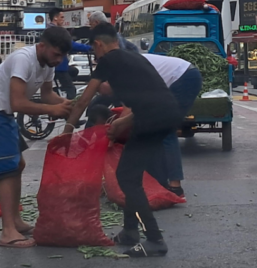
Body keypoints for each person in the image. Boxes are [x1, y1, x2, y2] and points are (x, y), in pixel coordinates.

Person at [66, 23, 182, 258]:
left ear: (98, 45)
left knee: (127, 177)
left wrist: (67, 130)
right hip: (163, 115)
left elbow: (83, 100)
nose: (95, 57)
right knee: (130, 174)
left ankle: (155, 239)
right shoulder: (134, 58)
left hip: (153, 119)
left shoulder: (109, 60)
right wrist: (120, 123)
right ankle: (130, 231)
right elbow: (149, 98)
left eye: (93, 51)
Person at [0, 27, 73, 249]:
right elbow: (18, 103)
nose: (60, 59)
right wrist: (52, 111)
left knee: (18, 164)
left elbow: (47, 95)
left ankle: (15, 220)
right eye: (57, 54)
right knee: (7, 169)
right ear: (42, 46)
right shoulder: (23, 59)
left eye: (63, 55)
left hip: (3, 114)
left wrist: (65, 104)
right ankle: (8, 232)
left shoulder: (47, 64)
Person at [142, 53, 202, 197]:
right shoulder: (126, 64)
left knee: (166, 130)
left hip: (183, 78)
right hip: (183, 77)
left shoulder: (124, 72)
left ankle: (175, 186)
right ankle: (159, 181)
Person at [48, 7, 91, 100]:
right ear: (55, 18)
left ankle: (58, 91)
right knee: (71, 90)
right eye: (62, 17)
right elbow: (69, 44)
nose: (63, 20)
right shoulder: (56, 31)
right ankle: (68, 110)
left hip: (58, 65)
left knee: (74, 71)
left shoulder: (50, 29)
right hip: (59, 67)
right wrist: (89, 48)